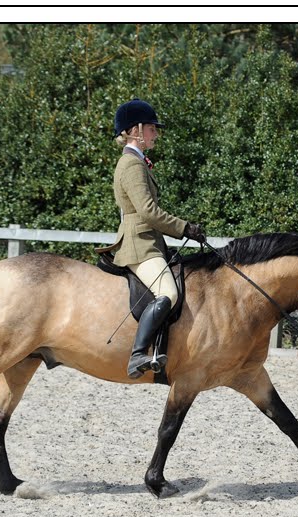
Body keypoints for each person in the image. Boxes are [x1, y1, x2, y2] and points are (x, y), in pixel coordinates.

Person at [97, 99, 206, 379]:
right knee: (168, 293)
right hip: (139, 246)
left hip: (149, 242)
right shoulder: (132, 165)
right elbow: (148, 211)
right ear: (135, 130)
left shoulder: (137, 162)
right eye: (152, 128)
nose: (156, 133)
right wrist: (184, 228)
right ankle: (137, 355)